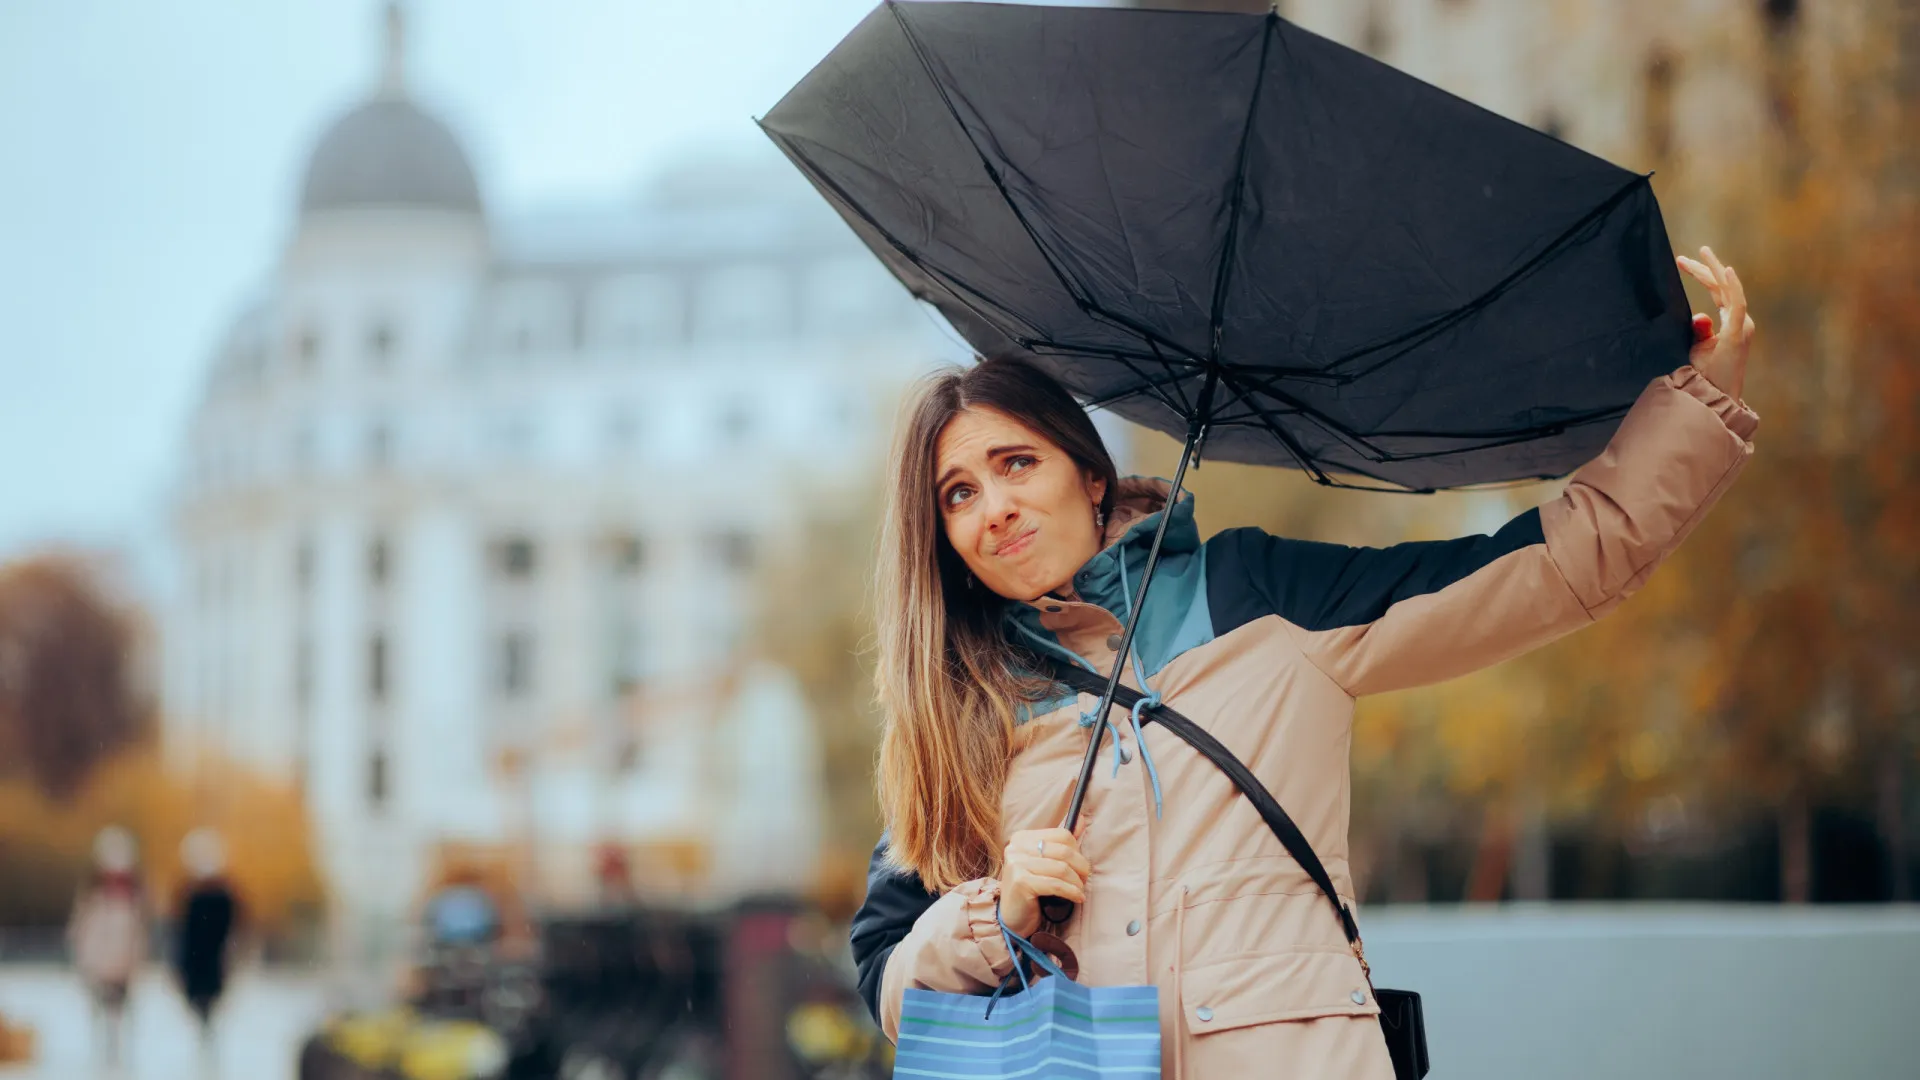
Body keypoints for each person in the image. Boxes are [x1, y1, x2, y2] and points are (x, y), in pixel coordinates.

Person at [850, 251, 1759, 1077]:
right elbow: (886, 977)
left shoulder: (1257, 591)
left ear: (1091, 476)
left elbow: (1551, 569)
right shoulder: (960, 703)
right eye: (959, 494)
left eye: (1016, 463)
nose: (995, 508)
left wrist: (1699, 405)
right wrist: (992, 917)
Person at [68, 825, 149, 1073]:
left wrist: (134, 962)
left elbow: (138, 936)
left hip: (124, 967)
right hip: (98, 965)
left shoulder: (135, 900)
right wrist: (86, 962)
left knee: (121, 1013)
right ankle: (101, 1054)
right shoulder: (92, 898)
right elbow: (81, 931)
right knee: (99, 1011)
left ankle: (120, 1054)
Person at [172, 828, 243, 1073]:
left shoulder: (220, 897)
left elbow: (232, 932)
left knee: (207, 1006)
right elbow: (182, 932)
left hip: (210, 963)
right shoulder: (192, 895)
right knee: (202, 1007)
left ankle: (208, 1044)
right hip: (200, 963)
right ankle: (206, 1042)